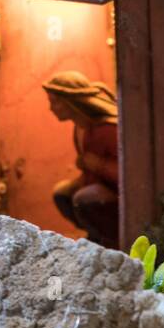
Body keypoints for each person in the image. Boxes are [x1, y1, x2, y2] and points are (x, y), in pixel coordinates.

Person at [43, 71, 119, 247]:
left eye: (55, 102)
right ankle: (95, 235)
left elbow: (128, 174)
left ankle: (111, 240)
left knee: (85, 198)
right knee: (62, 193)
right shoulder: (81, 128)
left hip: (116, 194)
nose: (51, 108)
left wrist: (99, 165)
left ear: (71, 102)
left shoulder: (107, 129)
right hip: (98, 183)